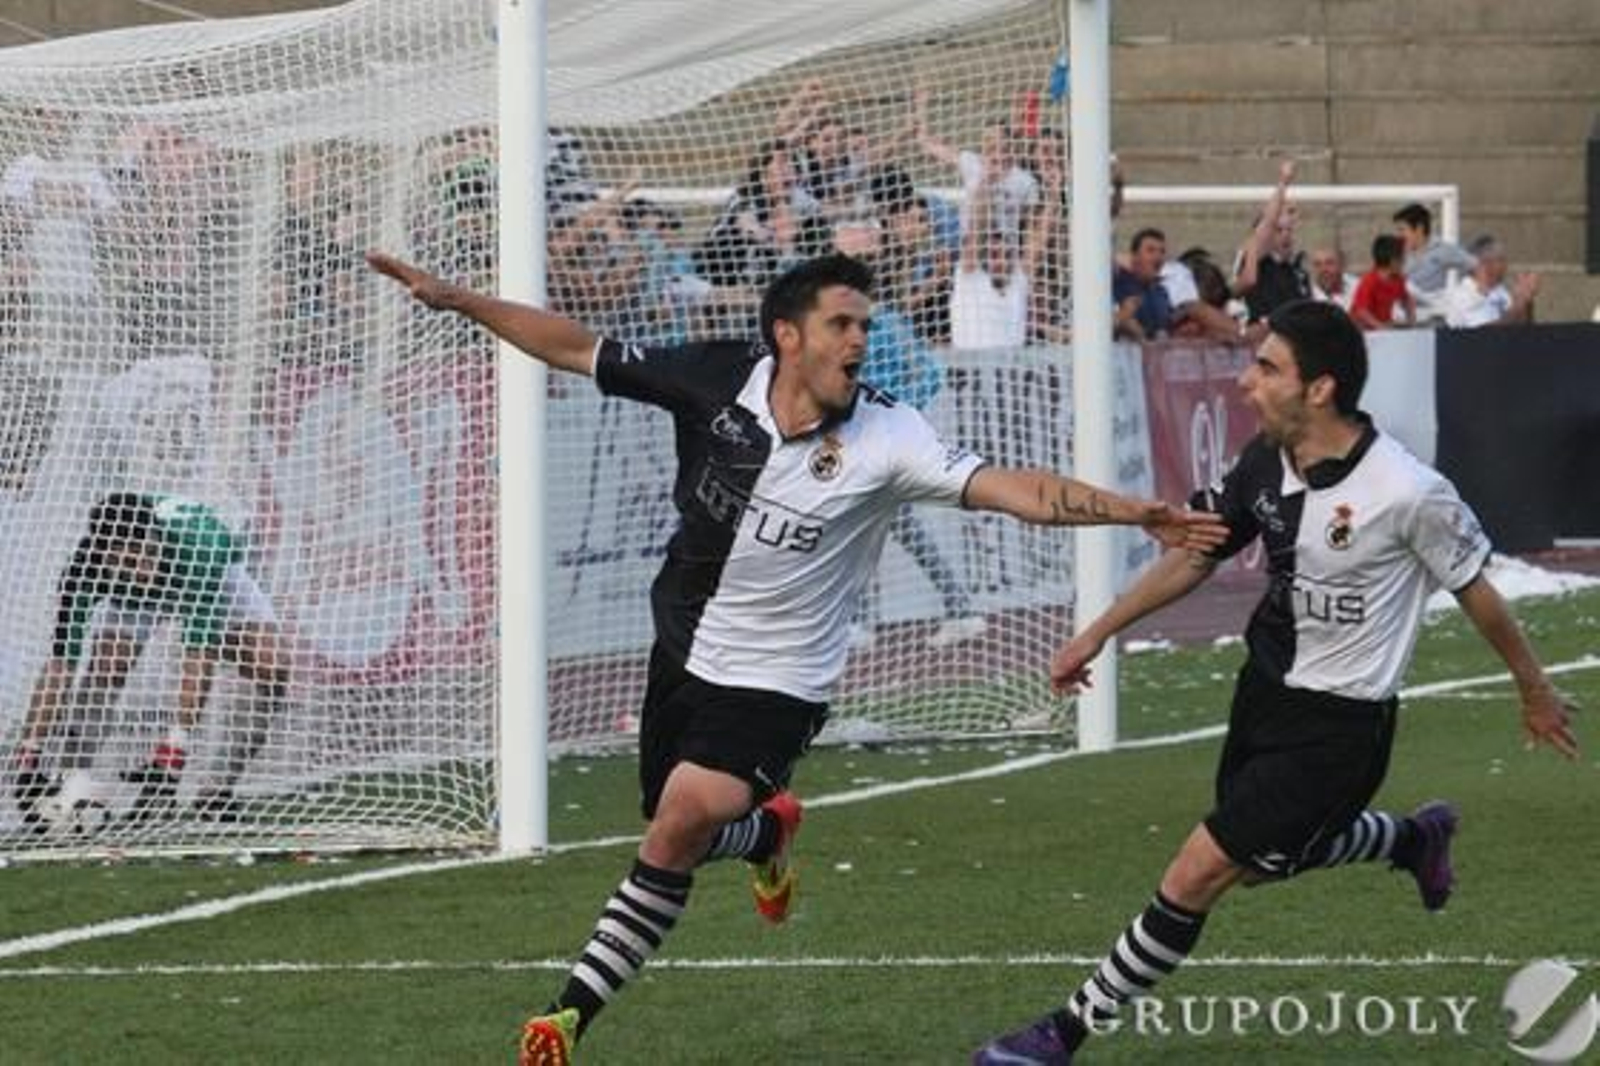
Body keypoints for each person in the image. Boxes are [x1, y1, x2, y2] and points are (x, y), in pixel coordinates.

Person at [365, 250, 1227, 1064]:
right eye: (841, 325)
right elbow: (575, 347)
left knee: (678, 822)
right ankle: (767, 832)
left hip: (781, 681)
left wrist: (1132, 511)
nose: (859, 341)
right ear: (788, 335)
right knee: (678, 823)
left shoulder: (890, 435)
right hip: (683, 648)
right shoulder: (714, 379)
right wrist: (460, 299)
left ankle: (567, 1013)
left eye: (865, 326)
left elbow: (1014, 489)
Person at [972, 300, 1579, 1065]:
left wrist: (1533, 689)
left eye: (1267, 368)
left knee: (1197, 872)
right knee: (1261, 866)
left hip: (1339, 729)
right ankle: (1412, 837)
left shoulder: (1407, 490)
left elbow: (1477, 591)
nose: (1245, 381)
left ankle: (1060, 1034)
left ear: (1319, 388)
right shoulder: (1265, 459)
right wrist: (1097, 633)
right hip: (1262, 694)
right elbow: (1198, 554)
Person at [11, 493, 288, 830]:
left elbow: (198, 656)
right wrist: (28, 755)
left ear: (157, 538)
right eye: (129, 560)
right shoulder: (81, 572)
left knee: (271, 664)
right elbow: (61, 665)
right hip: (132, 599)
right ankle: (72, 775)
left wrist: (174, 750)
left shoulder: (199, 553)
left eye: (147, 552)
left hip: (204, 579)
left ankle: (216, 791)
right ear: (104, 555)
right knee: (107, 664)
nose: (142, 566)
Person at [1393, 202, 1476, 324]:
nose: (1398, 235)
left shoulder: (1442, 249)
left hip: (1433, 319)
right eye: (1398, 231)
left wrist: (1466, 293)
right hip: (1402, 319)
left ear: (1419, 228)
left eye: (1402, 230)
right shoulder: (1396, 252)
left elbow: (1475, 265)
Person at [1441, 234, 1540, 328]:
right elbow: (1486, 333)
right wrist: (1520, 302)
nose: (1505, 265)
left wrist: (1527, 300)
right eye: (1501, 260)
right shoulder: (1463, 295)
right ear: (1483, 263)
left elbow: (1522, 329)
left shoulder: (1500, 292)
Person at [1349, 233, 1415, 330]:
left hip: (1382, 326)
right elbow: (1361, 311)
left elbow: (1406, 299)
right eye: (1402, 258)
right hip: (1360, 329)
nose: (1404, 261)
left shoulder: (1398, 279)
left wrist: (1411, 318)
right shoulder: (1369, 280)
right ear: (1393, 261)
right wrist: (1381, 326)